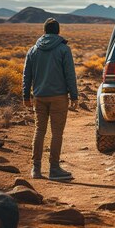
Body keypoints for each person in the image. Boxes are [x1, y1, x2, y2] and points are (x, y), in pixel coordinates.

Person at [23, 18, 77, 180]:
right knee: (56, 133)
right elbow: (70, 74)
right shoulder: (63, 49)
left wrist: (26, 95)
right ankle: (54, 168)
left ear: (44, 31)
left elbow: (27, 75)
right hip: (59, 97)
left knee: (39, 131)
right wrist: (74, 95)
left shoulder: (33, 50)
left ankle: (36, 169)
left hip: (39, 97)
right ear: (58, 31)